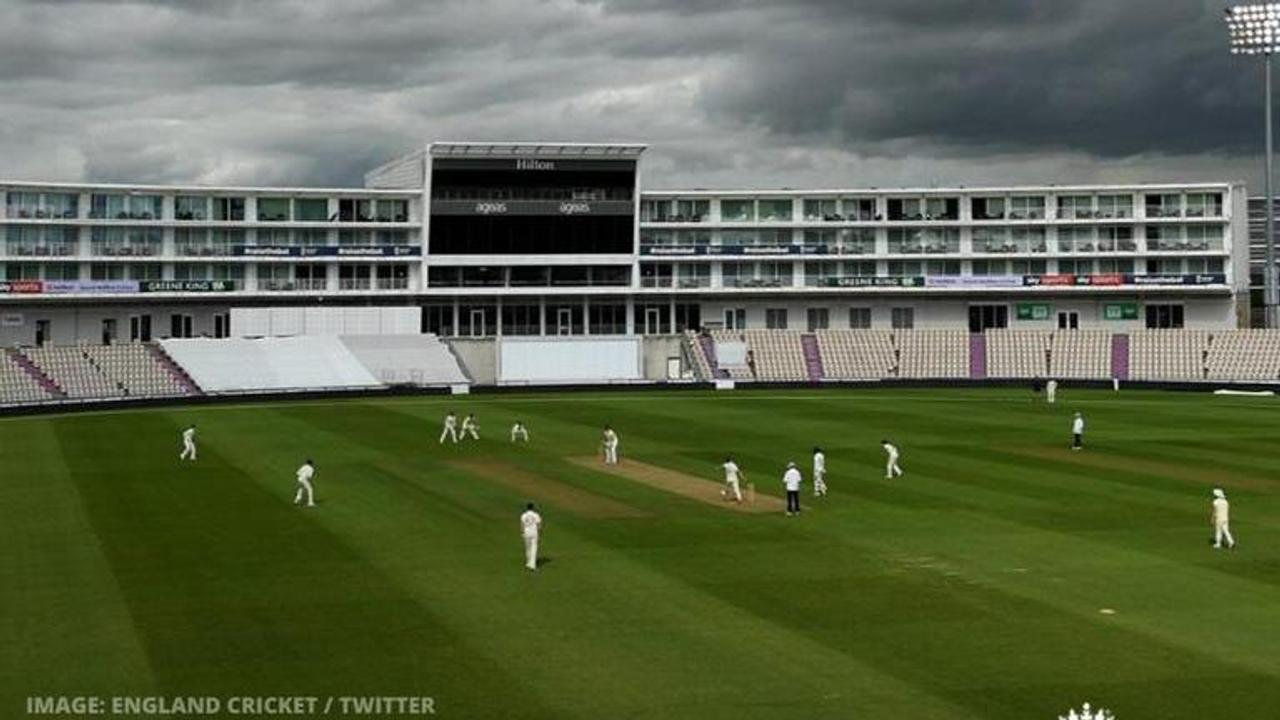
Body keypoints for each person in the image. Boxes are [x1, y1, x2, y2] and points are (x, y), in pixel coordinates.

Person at [521, 502, 543, 570]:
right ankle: (532, 565)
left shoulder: (523, 515)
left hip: (526, 532)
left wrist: (522, 532)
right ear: (533, 508)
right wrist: (539, 531)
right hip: (534, 532)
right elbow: (539, 524)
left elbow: (522, 525)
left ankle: (528, 563)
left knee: (528, 548)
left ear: (527, 508)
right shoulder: (536, 515)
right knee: (534, 548)